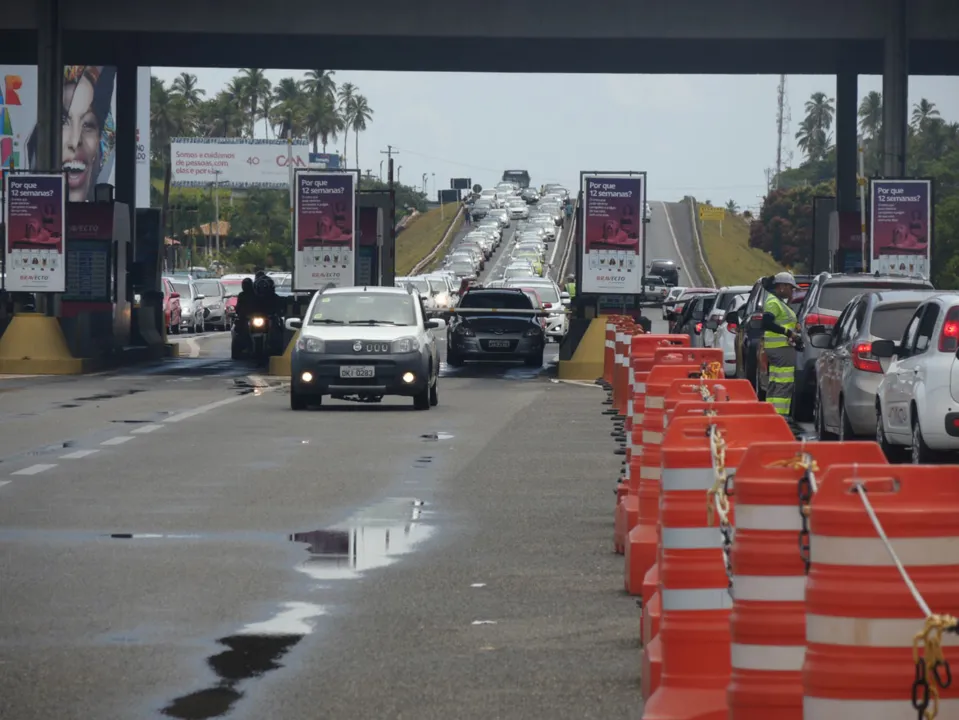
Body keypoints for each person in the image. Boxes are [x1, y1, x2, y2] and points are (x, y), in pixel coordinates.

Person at [761, 271, 800, 417]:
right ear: (782, 286)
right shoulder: (773, 302)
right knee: (784, 384)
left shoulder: (778, 302)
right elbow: (766, 323)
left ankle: (771, 415)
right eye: (791, 288)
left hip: (776, 349)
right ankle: (780, 418)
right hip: (781, 349)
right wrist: (788, 333)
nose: (792, 291)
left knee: (775, 382)